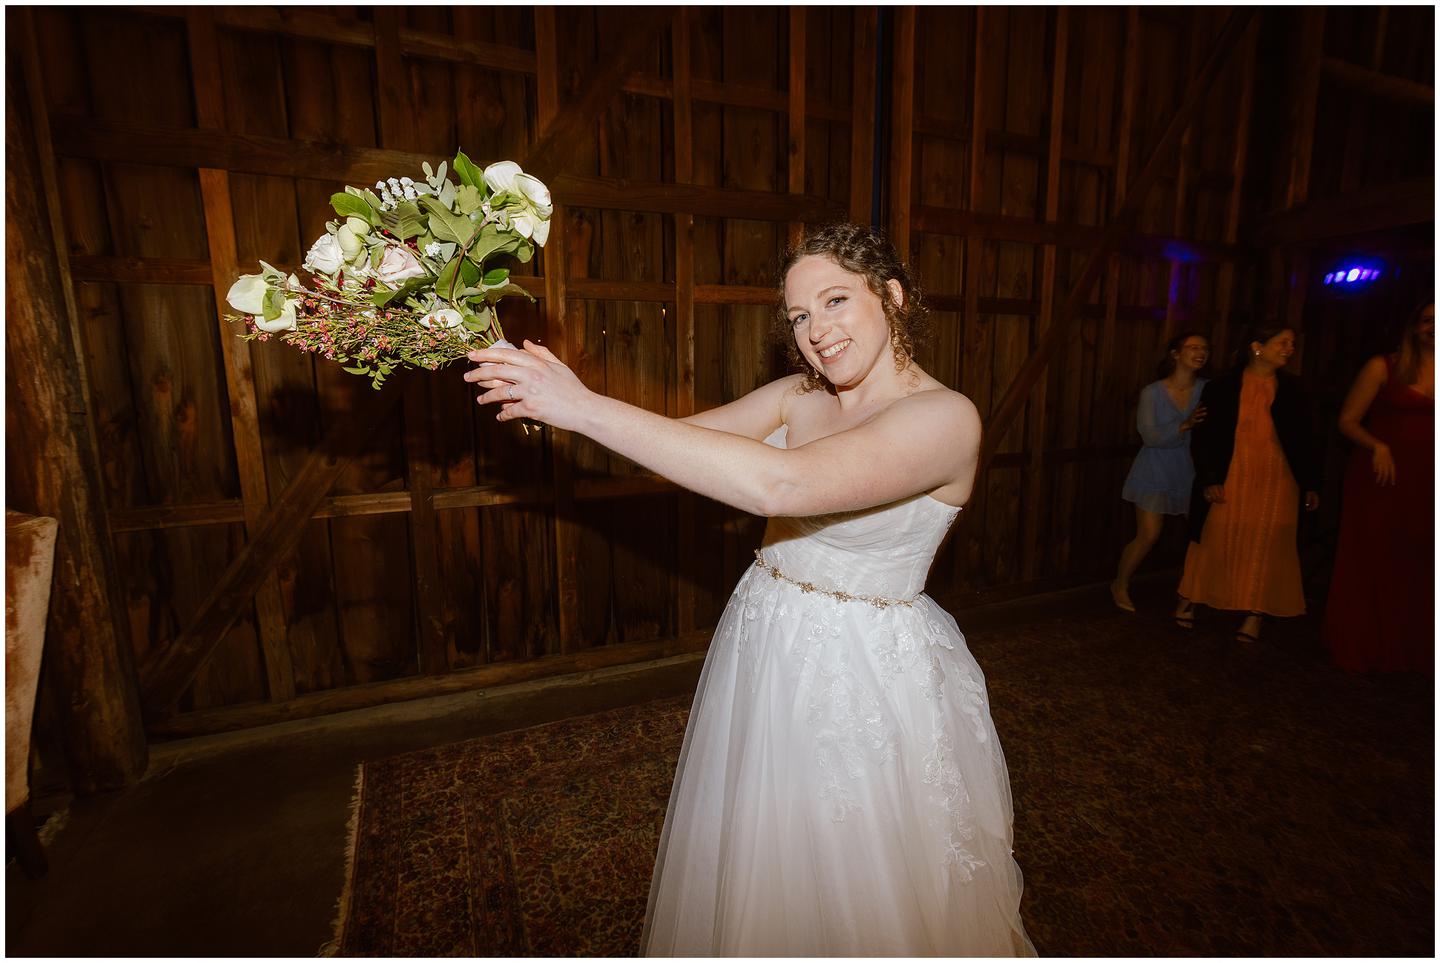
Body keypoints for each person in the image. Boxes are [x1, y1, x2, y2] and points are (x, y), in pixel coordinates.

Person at [464, 223, 1035, 956]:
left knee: (856, 872)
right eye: (798, 316)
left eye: (835, 300)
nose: (816, 331)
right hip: (767, 629)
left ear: (892, 297)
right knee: (760, 850)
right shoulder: (799, 396)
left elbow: (780, 485)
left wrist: (583, 407)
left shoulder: (945, 419)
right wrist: (554, 400)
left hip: (863, 668)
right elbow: (679, 446)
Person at [1175, 322, 1321, 642]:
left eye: (1291, 344)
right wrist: (1210, 478)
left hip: (1277, 476)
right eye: (1282, 342)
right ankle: (1192, 596)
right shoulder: (1222, 387)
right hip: (1232, 472)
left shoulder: (1294, 389)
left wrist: (1311, 483)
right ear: (1257, 347)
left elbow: (1307, 440)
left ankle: (1255, 613)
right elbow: (1205, 437)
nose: (1289, 349)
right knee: (1215, 534)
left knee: (1268, 541)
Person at [1324, 301, 1434, 673]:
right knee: (1375, 555)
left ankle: (1410, 649)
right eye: (1428, 321)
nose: (1434, 328)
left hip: (1427, 478)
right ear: (1414, 327)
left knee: (1419, 559)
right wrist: (1377, 445)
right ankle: (1362, 645)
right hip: (1383, 474)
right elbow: (1347, 420)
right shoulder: (1383, 366)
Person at [1110, 333, 1210, 612]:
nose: (1200, 352)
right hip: (1155, 468)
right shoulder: (1152, 393)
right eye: (1193, 347)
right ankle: (1120, 583)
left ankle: (1189, 594)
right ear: (1176, 354)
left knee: (1200, 537)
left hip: (1192, 470)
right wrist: (1184, 425)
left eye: (1204, 348)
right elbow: (1150, 436)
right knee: (1149, 534)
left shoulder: (1208, 389)